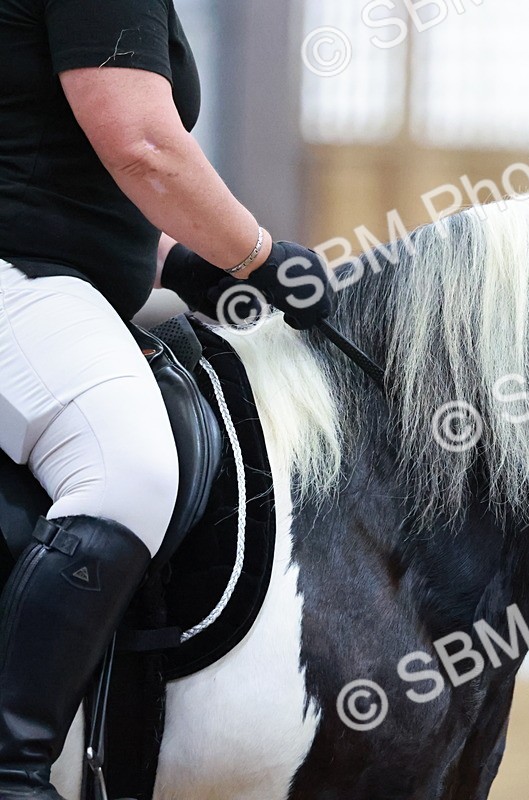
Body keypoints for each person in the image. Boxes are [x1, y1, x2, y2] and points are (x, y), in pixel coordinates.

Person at [0, 0, 333, 795]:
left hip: (54, 275)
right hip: (17, 276)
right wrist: (257, 254)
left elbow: (50, 165)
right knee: (130, 467)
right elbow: (143, 145)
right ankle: (13, 768)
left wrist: (175, 260)